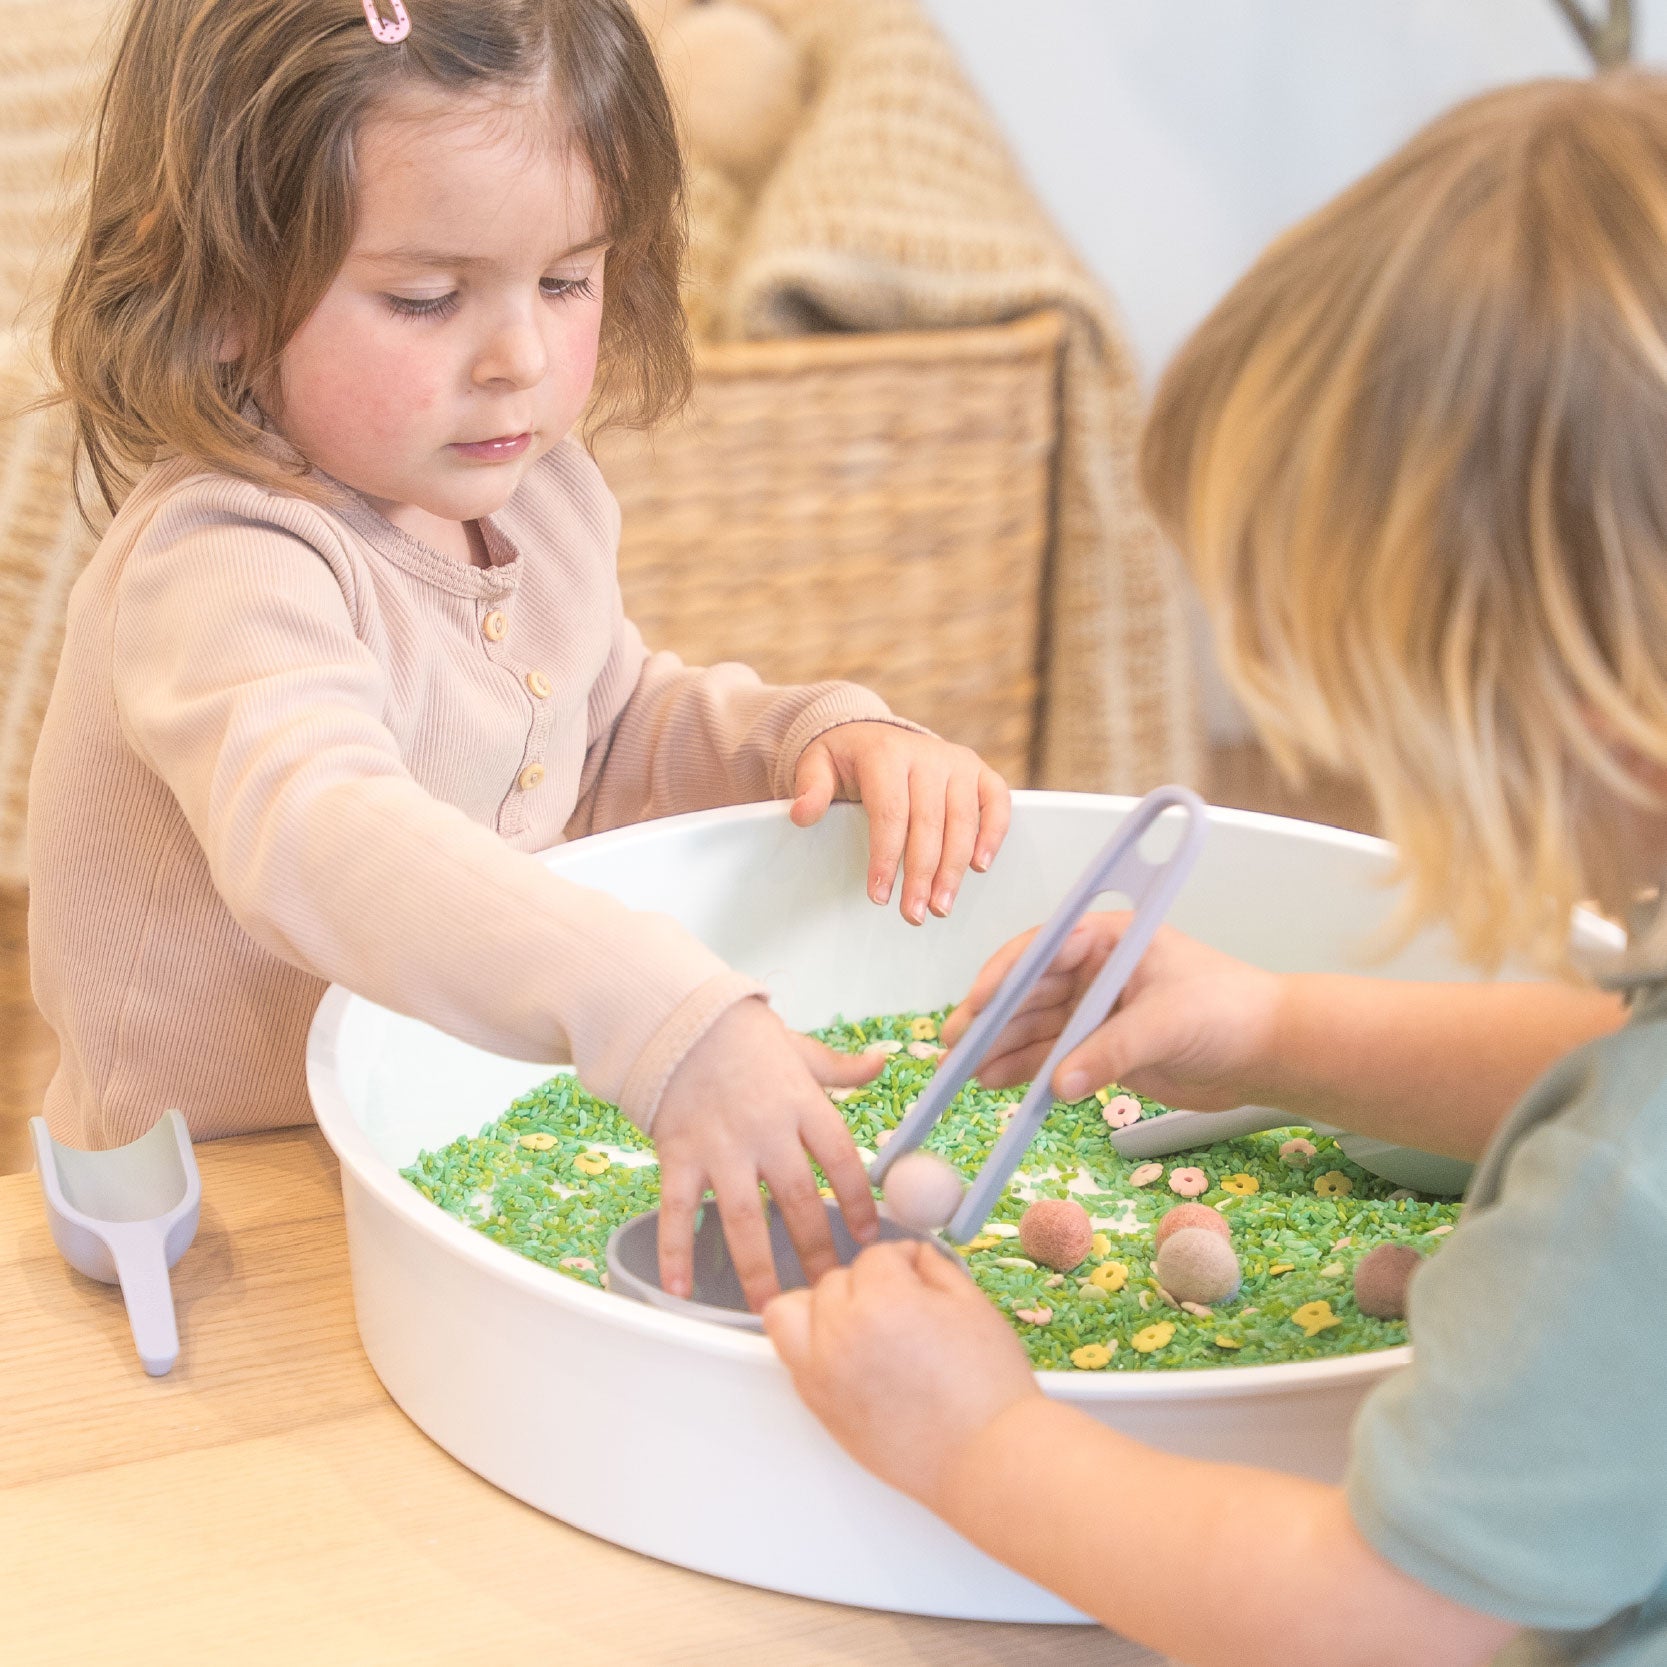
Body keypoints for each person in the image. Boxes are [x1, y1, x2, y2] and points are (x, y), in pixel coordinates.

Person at [765, 75, 1667, 1666]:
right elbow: (1610, 1062)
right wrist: (1270, 1029)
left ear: (1605, 735)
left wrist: (980, 1444)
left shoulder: (1621, 1196)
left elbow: (1379, 1624)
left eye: (1392, 730)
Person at [29, 0, 1009, 1309]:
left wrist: (809, 737)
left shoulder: (532, 495)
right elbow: (319, 828)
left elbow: (597, 733)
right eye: (426, 298)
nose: (523, 359)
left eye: (567, 279)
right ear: (218, 300)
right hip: (228, 1200)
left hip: (445, 1125)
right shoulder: (224, 561)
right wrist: (654, 1011)